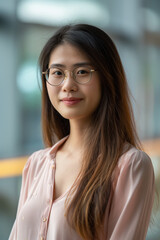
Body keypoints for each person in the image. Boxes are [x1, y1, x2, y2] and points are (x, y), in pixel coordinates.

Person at [9, 24, 155, 240]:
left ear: (108, 78)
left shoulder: (130, 165)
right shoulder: (36, 164)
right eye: (57, 73)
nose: (68, 85)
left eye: (82, 72)